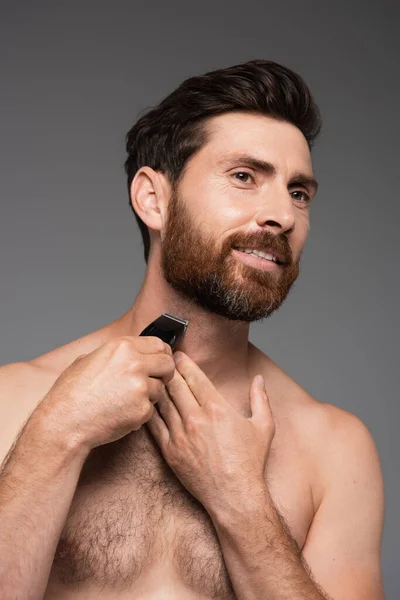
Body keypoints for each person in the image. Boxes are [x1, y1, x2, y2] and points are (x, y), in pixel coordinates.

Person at [0, 59, 385, 600]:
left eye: (299, 193)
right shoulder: (12, 402)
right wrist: (58, 434)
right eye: (245, 177)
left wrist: (241, 502)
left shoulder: (334, 450)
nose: (283, 215)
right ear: (154, 200)